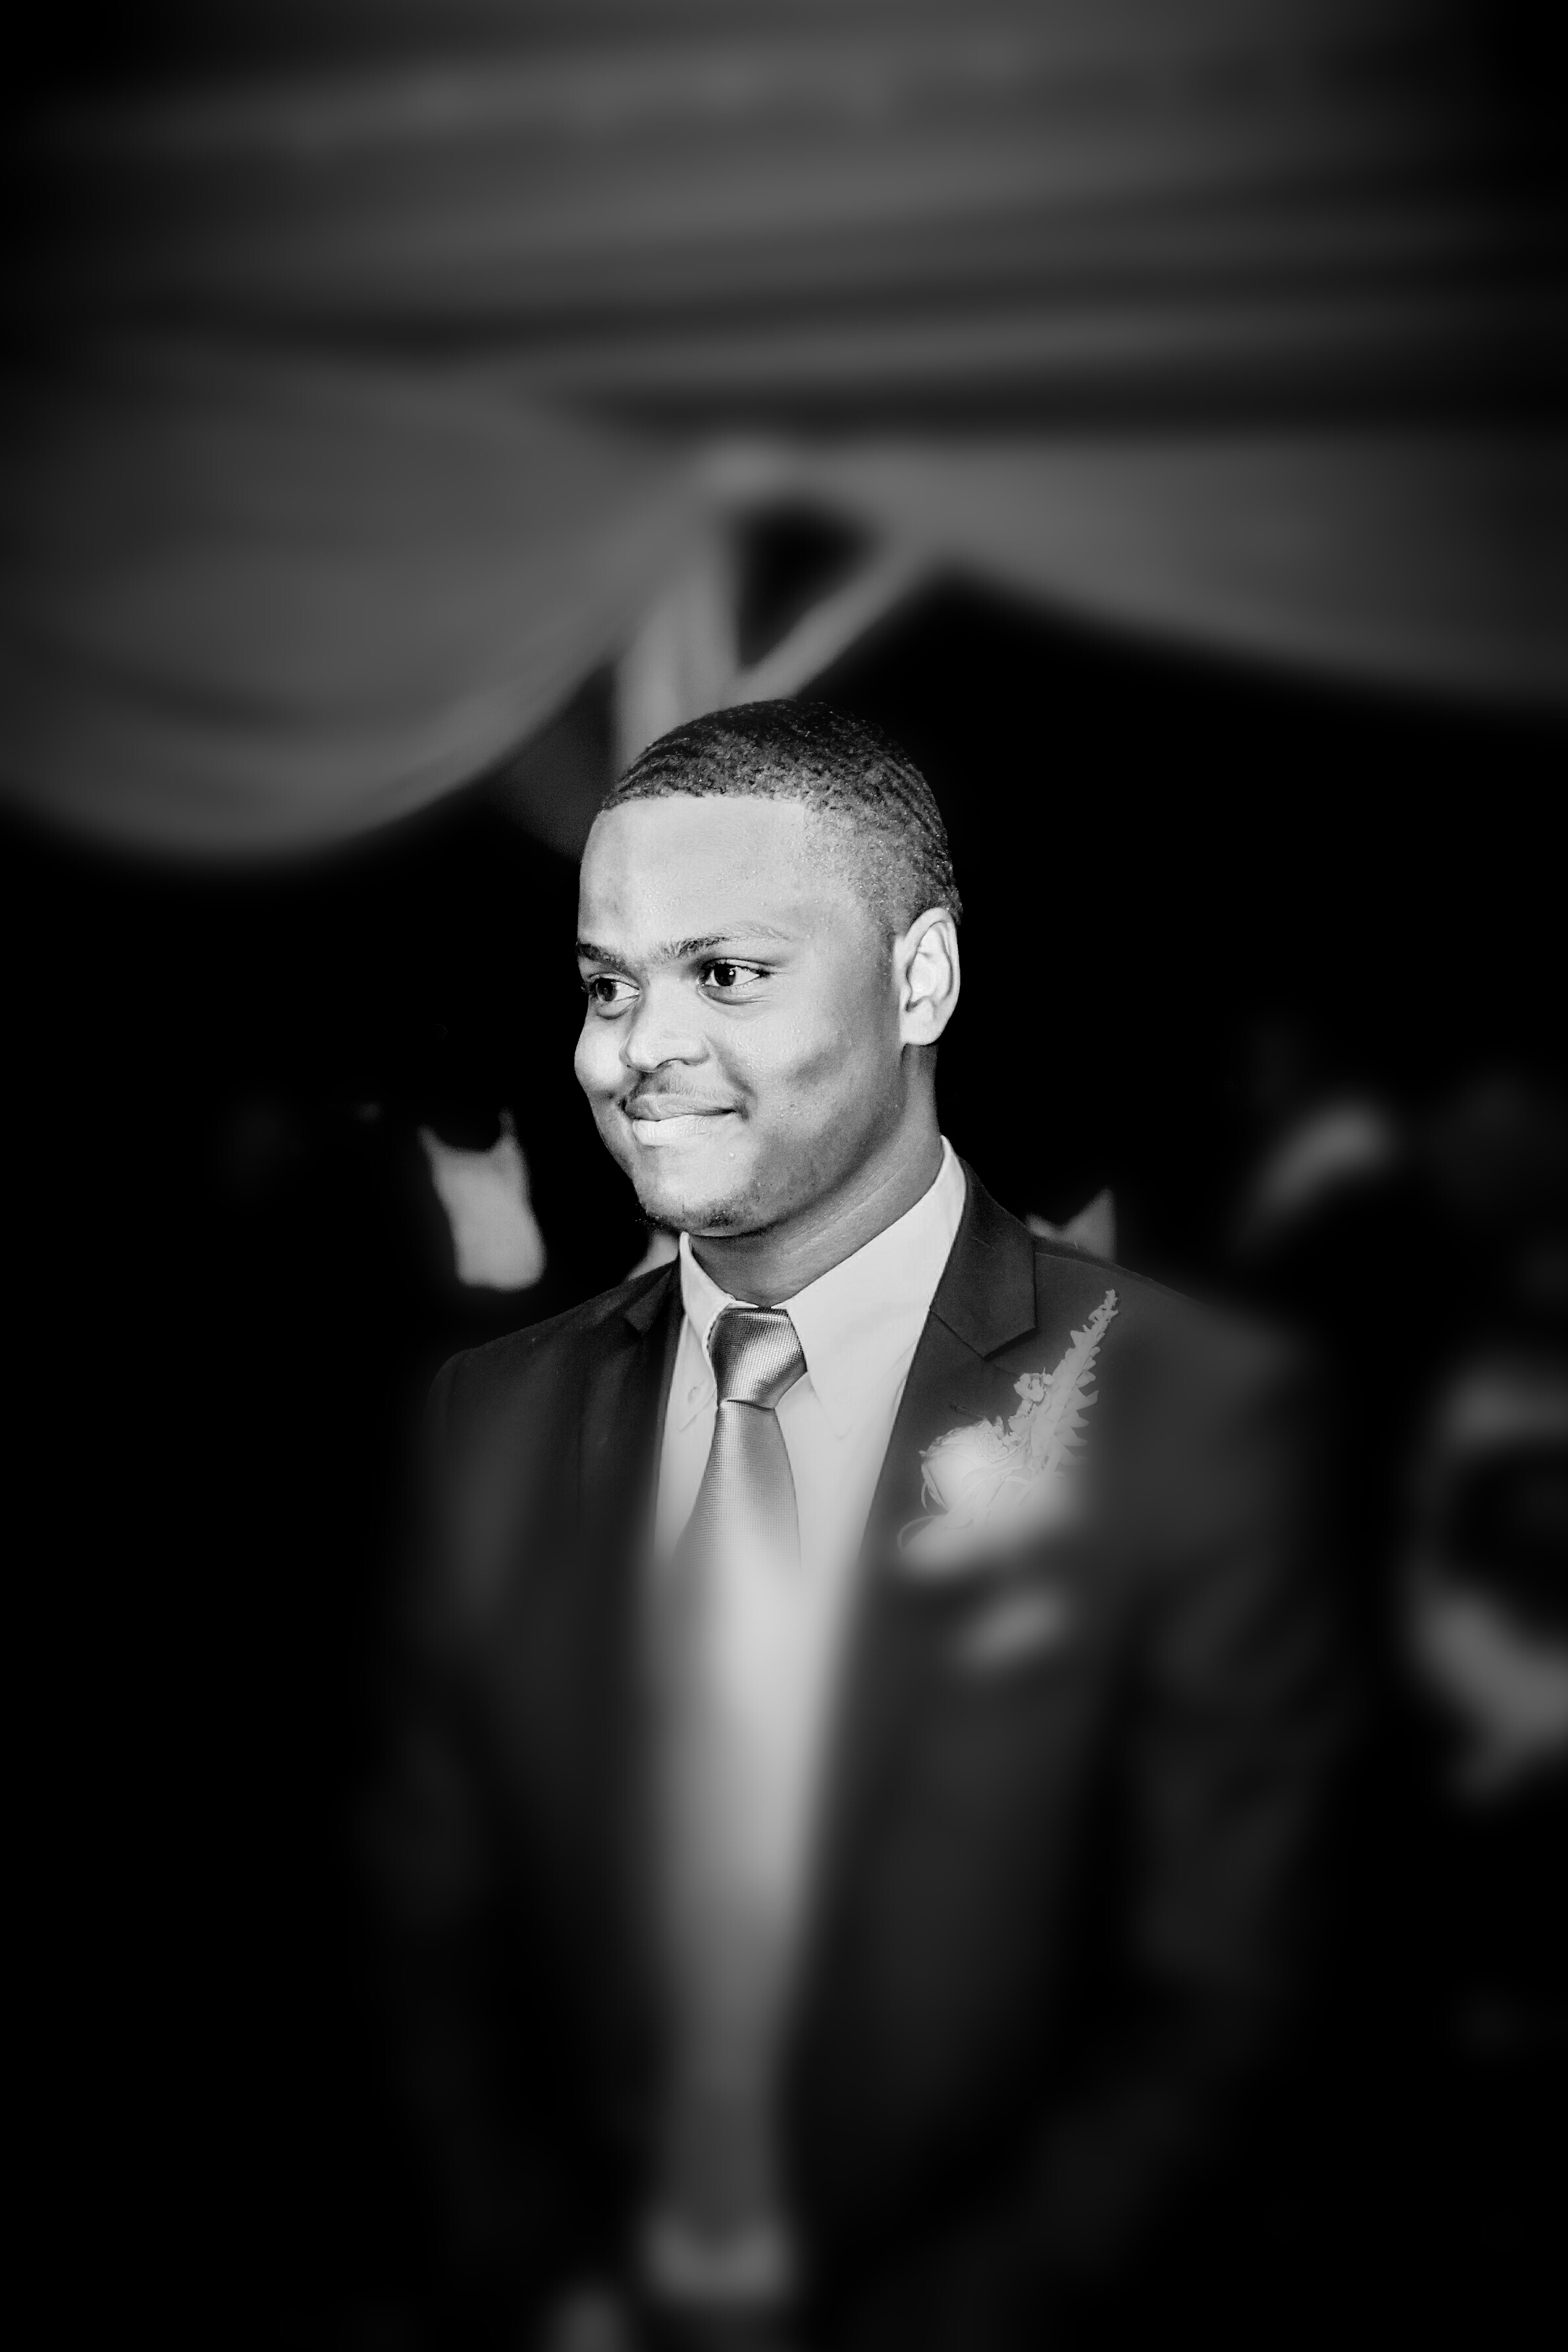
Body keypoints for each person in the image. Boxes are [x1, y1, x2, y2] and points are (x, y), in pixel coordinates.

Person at [373, 702, 1344, 2352]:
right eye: (607, 986)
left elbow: (1234, 2006)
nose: (634, 1050)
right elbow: (433, 1929)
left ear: (921, 981)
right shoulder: (499, 1415)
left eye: (725, 973)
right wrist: (545, 2287)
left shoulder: (1189, 1413)